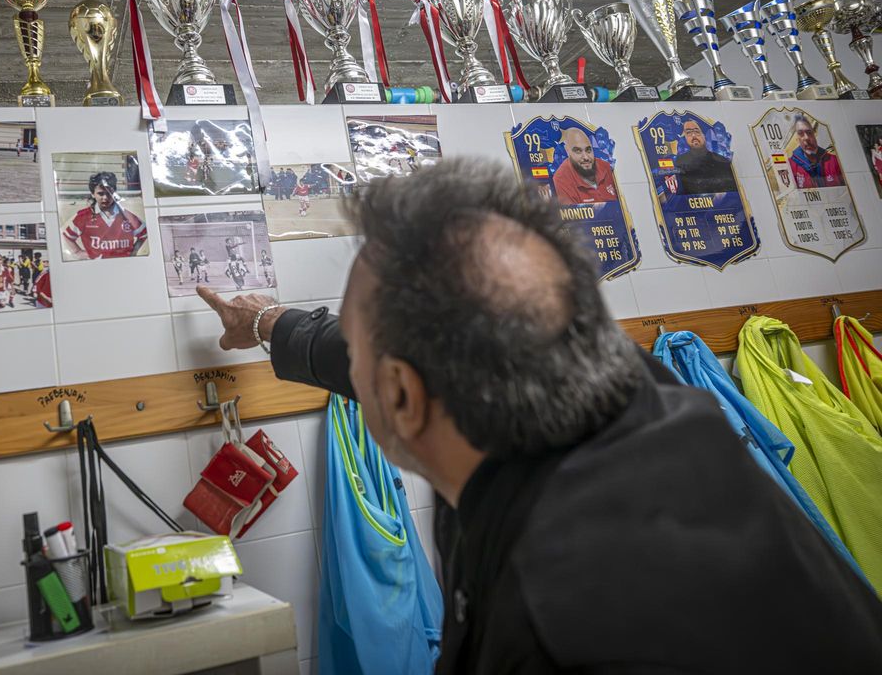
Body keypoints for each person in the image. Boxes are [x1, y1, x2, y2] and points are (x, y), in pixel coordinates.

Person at [195, 158, 882, 673]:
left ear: (402, 397)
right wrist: (265, 322)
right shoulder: (629, 392)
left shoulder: (556, 625)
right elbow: (369, 350)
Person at [61, 172, 147, 259]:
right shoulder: (83, 217)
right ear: (93, 194)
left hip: (122, 267)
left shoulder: (126, 215)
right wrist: (78, 252)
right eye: (100, 193)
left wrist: (134, 252)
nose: (105, 197)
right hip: (96, 269)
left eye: (109, 192)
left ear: (114, 192)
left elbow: (144, 233)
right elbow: (67, 236)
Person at [551, 127, 617, 205]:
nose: (586, 157)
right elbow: (572, 215)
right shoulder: (561, 180)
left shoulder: (604, 166)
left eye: (588, 150)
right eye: (578, 151)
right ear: (568, 151)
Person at [674, 118, 738, 195]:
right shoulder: (680, 161)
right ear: (686, 138)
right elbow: (681, 193)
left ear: (704, 135)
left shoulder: (721, 161)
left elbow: (731, 193)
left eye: (697, 132)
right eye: (688, 133)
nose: (693, 135)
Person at [789, 114, 844, 188]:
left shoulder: (834, 161)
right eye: (800, 134)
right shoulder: (791, 166)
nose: (806, 137)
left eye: (809, 132)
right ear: (796, 139)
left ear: (815, 134)